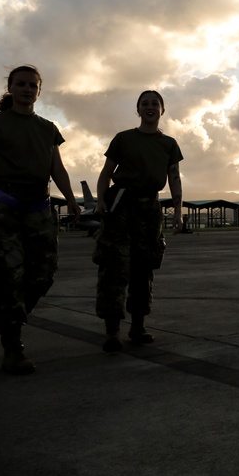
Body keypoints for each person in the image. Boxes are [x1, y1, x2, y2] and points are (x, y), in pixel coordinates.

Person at [0, 65, 81, 374]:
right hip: (2, 207)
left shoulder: (48, 128)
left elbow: (56, 168)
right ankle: (12, 346)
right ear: (10, 87)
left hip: (38, 208)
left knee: (43, 274)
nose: (27, 89)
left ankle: (6, 315)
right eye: (20, 84)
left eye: (32, 85)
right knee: (7, 275)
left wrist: (71, 199)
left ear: (39, 90)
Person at [93, 90, 183, 353]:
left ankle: (138, 325)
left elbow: (175, 178)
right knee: (114, 266)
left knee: (144, 268)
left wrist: (177, 212)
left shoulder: (169, 144)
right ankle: (112, 330)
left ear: (162, 110)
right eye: (145, 104)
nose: (150, 107)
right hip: (121, 204)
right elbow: (106, 174)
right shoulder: (123, 139)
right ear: (138, 110)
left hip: (150, 207)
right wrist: (100, 200)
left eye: (155, 103)